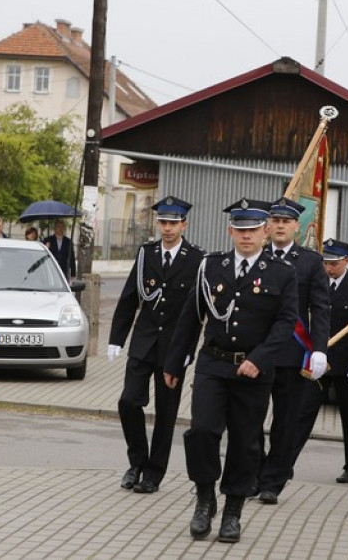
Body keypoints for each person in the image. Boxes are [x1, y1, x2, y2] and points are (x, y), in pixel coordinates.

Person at [163, 198, 298, 544]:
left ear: (265, 231)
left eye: (253, 230)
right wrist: (175, 361)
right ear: (230, 231)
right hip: (213, 363)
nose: (246, 236)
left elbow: (286, 324)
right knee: (203, 432)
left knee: (244, 442)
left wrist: (261, 358)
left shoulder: (282, 273)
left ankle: (233, 511)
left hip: (253, 371)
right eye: (240, 230)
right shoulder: (211, 267)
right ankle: (205, 497)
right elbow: (191, 316)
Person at [107, 196, 205, 494]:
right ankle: (136, 461)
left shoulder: (197, 258)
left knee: (166, 412)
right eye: (163, 222)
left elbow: (197, 312)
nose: (167, 228)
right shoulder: (147, 253)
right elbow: (129, 298)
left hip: (174, 347)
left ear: (184, 224)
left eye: (173, 223)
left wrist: (188, 350)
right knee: (128, 401)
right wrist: (116, 339)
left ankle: (153, 472)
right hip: (144, 341)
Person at [253, 197, 330, 505]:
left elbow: (320, 308)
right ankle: (255, 473)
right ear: (267, 225)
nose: (280, 226)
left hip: (292, 353)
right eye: (275, 220)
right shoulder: (255, 254)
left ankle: (273, 481)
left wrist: (320, 350)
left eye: (287, 221)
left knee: (285, 423)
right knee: (251, 419)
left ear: (297, 226)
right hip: (258, 353)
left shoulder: (310, 261)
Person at [290, 238, 348, 485]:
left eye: (334, 263)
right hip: (317, 362)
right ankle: (286, 462)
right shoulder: (315, 283)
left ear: (346, 261)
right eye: (325, 262)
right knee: (303, 413)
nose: (329, 268)